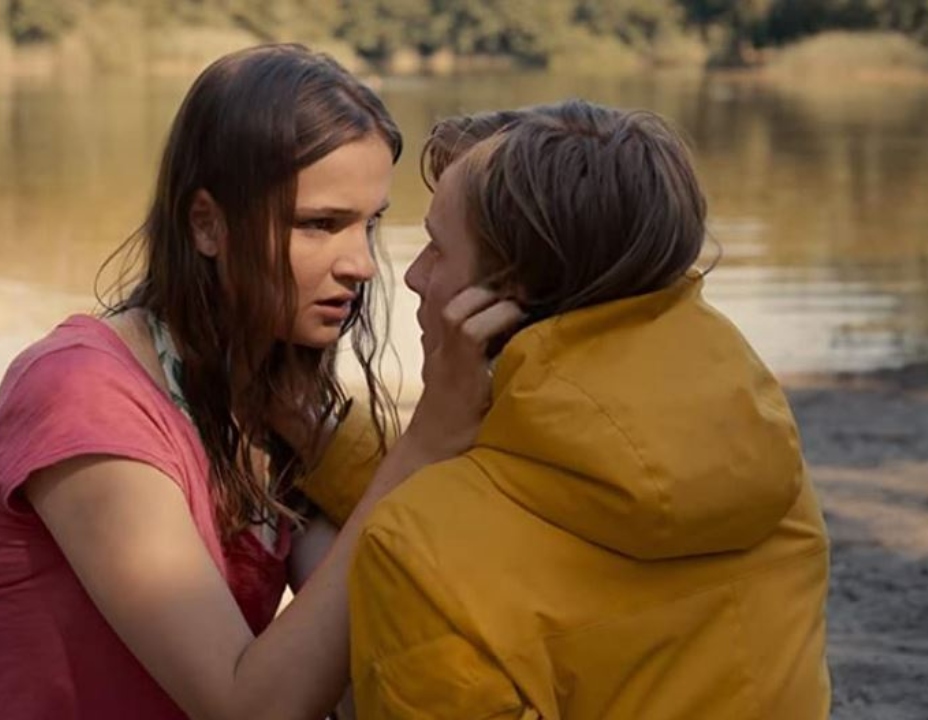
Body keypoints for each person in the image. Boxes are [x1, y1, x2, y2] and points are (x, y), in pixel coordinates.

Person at [0, 44, 523, 719]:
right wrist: (426, 443)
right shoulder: (82, 393)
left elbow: (352, 663)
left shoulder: (269, 401)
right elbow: (248, 708)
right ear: (207, 224)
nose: (362, 265)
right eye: (320, 225)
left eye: (369, 224)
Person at [347, 100, 832, 719]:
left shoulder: (414, 548)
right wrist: (326, 439)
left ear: (504, 292)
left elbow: (482, 523)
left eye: (437, 249)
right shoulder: (768, 472)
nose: (414, 276)